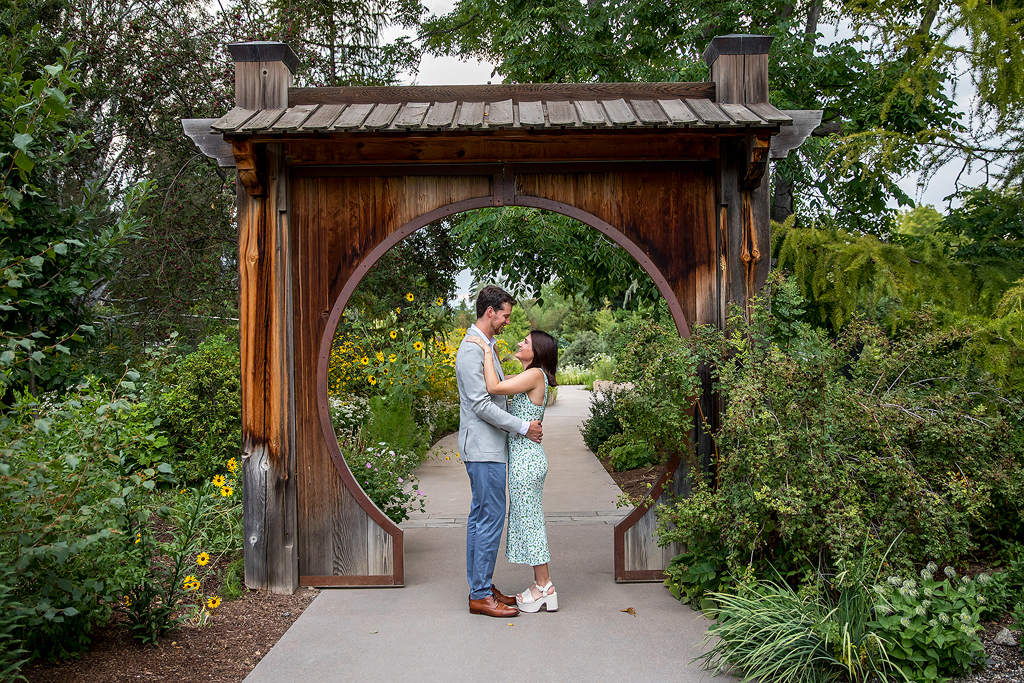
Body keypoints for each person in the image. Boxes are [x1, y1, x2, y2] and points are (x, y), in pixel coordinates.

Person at [455, 285, 543, 618]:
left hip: (487, 449)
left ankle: (481, 585)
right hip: (483, 449)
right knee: (488, 518)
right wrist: (523, 426)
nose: (507, 321)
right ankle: (479, 594)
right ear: (490, 312)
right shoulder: (471, 349)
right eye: (505, 315)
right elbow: (480, 404)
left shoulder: (484, 345)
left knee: (482, 518)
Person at [466, 328, 559, 613]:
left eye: (526, 342)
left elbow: (493, 388)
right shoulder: (528, 376)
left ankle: (545, 587)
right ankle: (539, 585)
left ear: (538, 350)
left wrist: (485, 350)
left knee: (530, 521)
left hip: (527, 461)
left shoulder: (535, 374)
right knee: (526, 520)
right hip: (524, 458)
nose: (520, 343)